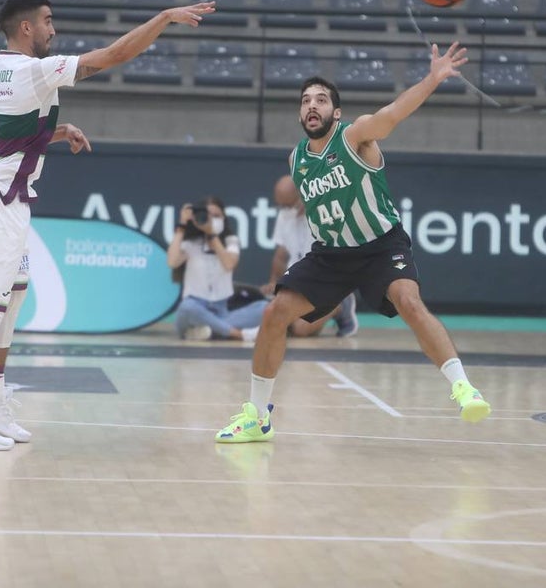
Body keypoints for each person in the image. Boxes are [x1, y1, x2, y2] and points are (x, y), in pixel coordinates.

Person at [0, 0, 215, 450]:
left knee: (16, 292)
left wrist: (55, 132)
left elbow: (6, 135)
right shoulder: (33, 69)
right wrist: (164, 17)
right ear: (25, 28)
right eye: (47, 21)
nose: (53, 29)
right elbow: (113, 56)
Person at [215, 43, 491, 443]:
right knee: (275, 313)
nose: (312, 106)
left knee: (409, 302)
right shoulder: (296, 159)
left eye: (322, 100)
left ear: (336, 112)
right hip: (331, 255)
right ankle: (257, 417)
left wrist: (432, 79)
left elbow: (393, 114)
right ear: (299, 112)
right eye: (306, 100)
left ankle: (463, 386)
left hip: (381, 246)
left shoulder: (355, 136)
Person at [263, 174, 358, 338]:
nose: (285, 210)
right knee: (278, 321)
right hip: (296, 281)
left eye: (288, 205)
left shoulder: (328, 212)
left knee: (300, 329)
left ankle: (340, 305)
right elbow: (281, 255)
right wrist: (274, 282)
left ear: (303, 194)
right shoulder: (285, 215)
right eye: (281, 206)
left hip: (327, 281)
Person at [168, 196, 268, 342]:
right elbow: (172, 262)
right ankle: (238, 334)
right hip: (195, 309)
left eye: (216, 216)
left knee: (264, 307)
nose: (212, 219)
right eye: (208, 215)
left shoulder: (230, 241)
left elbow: (229, 264)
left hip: (221, 311)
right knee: (186, 307)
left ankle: (206, 332)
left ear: (224, 218)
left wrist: (212, 236)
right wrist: (182, 226)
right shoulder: (190, 243)